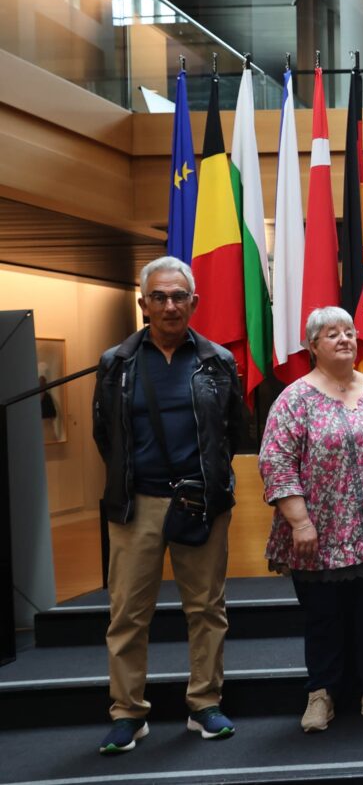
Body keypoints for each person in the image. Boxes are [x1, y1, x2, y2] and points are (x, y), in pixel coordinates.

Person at [92, 256, 247, 755]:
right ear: (143, 304)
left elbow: (234, 430)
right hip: (136, 506)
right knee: (127, 613)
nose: (170, 305)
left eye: (179, 296)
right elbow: (105, 434)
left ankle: (204, 704)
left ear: (194, 303)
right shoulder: (116, 362)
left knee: (206, 609)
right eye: (158, 296)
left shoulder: (217, 361)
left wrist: (215, 485)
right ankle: (128, 714)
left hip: (200, 503)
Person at [259, 307, 363, 733]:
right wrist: (300, 522)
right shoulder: (294, 399)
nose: (344, 339)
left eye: (349, 332)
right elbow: (276, 463)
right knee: (323, 619)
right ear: (312, 346)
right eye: (332, 334)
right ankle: (320, 694)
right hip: (317, 535)